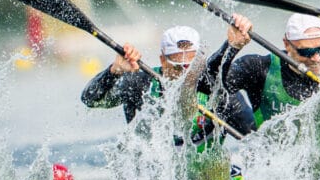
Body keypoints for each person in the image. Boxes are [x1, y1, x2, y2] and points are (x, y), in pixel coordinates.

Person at [81, 19, 254, 144]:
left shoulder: (220, 94)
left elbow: (256, 142)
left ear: (201, 62)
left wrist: (233, 45)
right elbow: (90, 100)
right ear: (162, 60)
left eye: (192, 68)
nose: (186, 76)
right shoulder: (140, 85)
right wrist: (113, 72)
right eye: (179, 68)